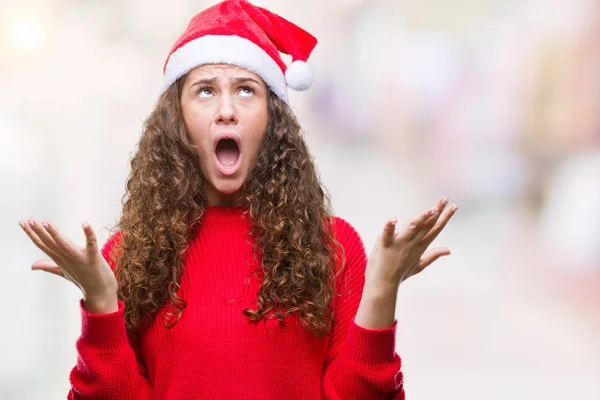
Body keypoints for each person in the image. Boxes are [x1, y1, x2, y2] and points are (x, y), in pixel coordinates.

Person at [18, 0, 458, 398]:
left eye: (246, 89)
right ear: (178, 120)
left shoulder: (335, 248)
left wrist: (382, 288)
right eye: (205, 90)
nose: (226, 109)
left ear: (272, 119)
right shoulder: (128, 257)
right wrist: (100, 302)